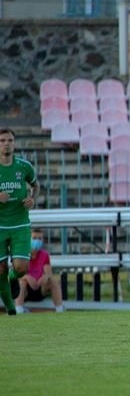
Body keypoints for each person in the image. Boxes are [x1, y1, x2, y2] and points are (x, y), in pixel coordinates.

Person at [0, 127, 39, 316]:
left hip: (20, 224)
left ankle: (13, 276)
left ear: (14, 144)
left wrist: (32, 199)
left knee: (21, 268)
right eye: (2, 141)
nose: (6, 144)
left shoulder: (24, 166)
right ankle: (11, 308)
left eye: (10, 140)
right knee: (0, 269)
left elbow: (36, 185)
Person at [13, 227, 64, 313]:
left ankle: (60, 309)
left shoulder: (44, 255)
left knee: (53, 281)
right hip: (25, 291)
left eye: (39, 238)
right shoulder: (22, 254)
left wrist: (45, 277)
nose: (37, 241)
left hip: (40, 288)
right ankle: (18, 309)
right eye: (34, 238)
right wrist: (27, 277)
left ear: (43, 240)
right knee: (22, 282)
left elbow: (49, 273)